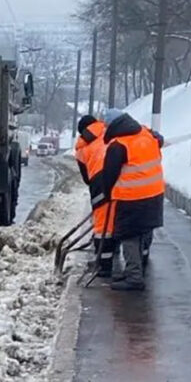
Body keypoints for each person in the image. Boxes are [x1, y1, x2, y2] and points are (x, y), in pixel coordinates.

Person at [100, 108, 165, 291]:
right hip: (155, 194)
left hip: (132, 198)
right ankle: (134, 270)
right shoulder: (145, 134)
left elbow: (109, 175)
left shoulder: (118, 145)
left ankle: (134, 277)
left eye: (106, 126)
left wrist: (107, 195)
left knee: (128, 235)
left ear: (113, 125)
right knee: (143, 231)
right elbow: (159, 139)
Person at [75, 115, 117, 278]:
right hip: (122, 177)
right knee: (116, 219)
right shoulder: (110, 130)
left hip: (99, 180)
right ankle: (116, 253)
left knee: (102, 226)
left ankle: (104, 265)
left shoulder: (81, 148)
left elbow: (86, 178)